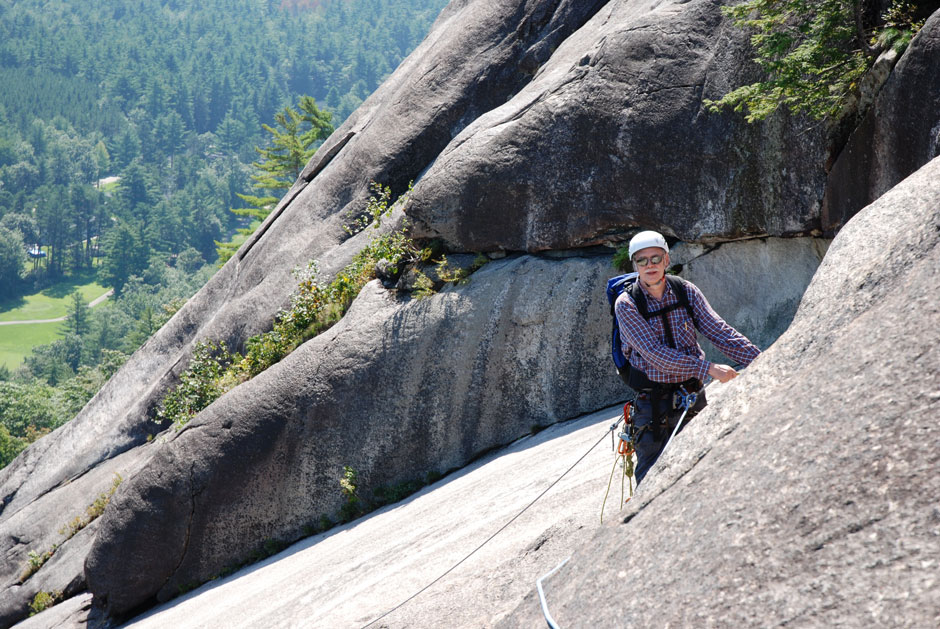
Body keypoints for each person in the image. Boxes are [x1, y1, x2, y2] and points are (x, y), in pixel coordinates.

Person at [614, 230, 761, 483]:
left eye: (656, 258)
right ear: (634, 264)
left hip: (692, 395)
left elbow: (719, 331)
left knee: (710, 470)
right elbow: (653, 354)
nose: (650, 265)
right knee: (651, 479)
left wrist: (760, 361)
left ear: (667, 260)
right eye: (642, 260)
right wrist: (708, 368)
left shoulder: (685, 291)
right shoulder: (627, 304)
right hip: (653, 405)